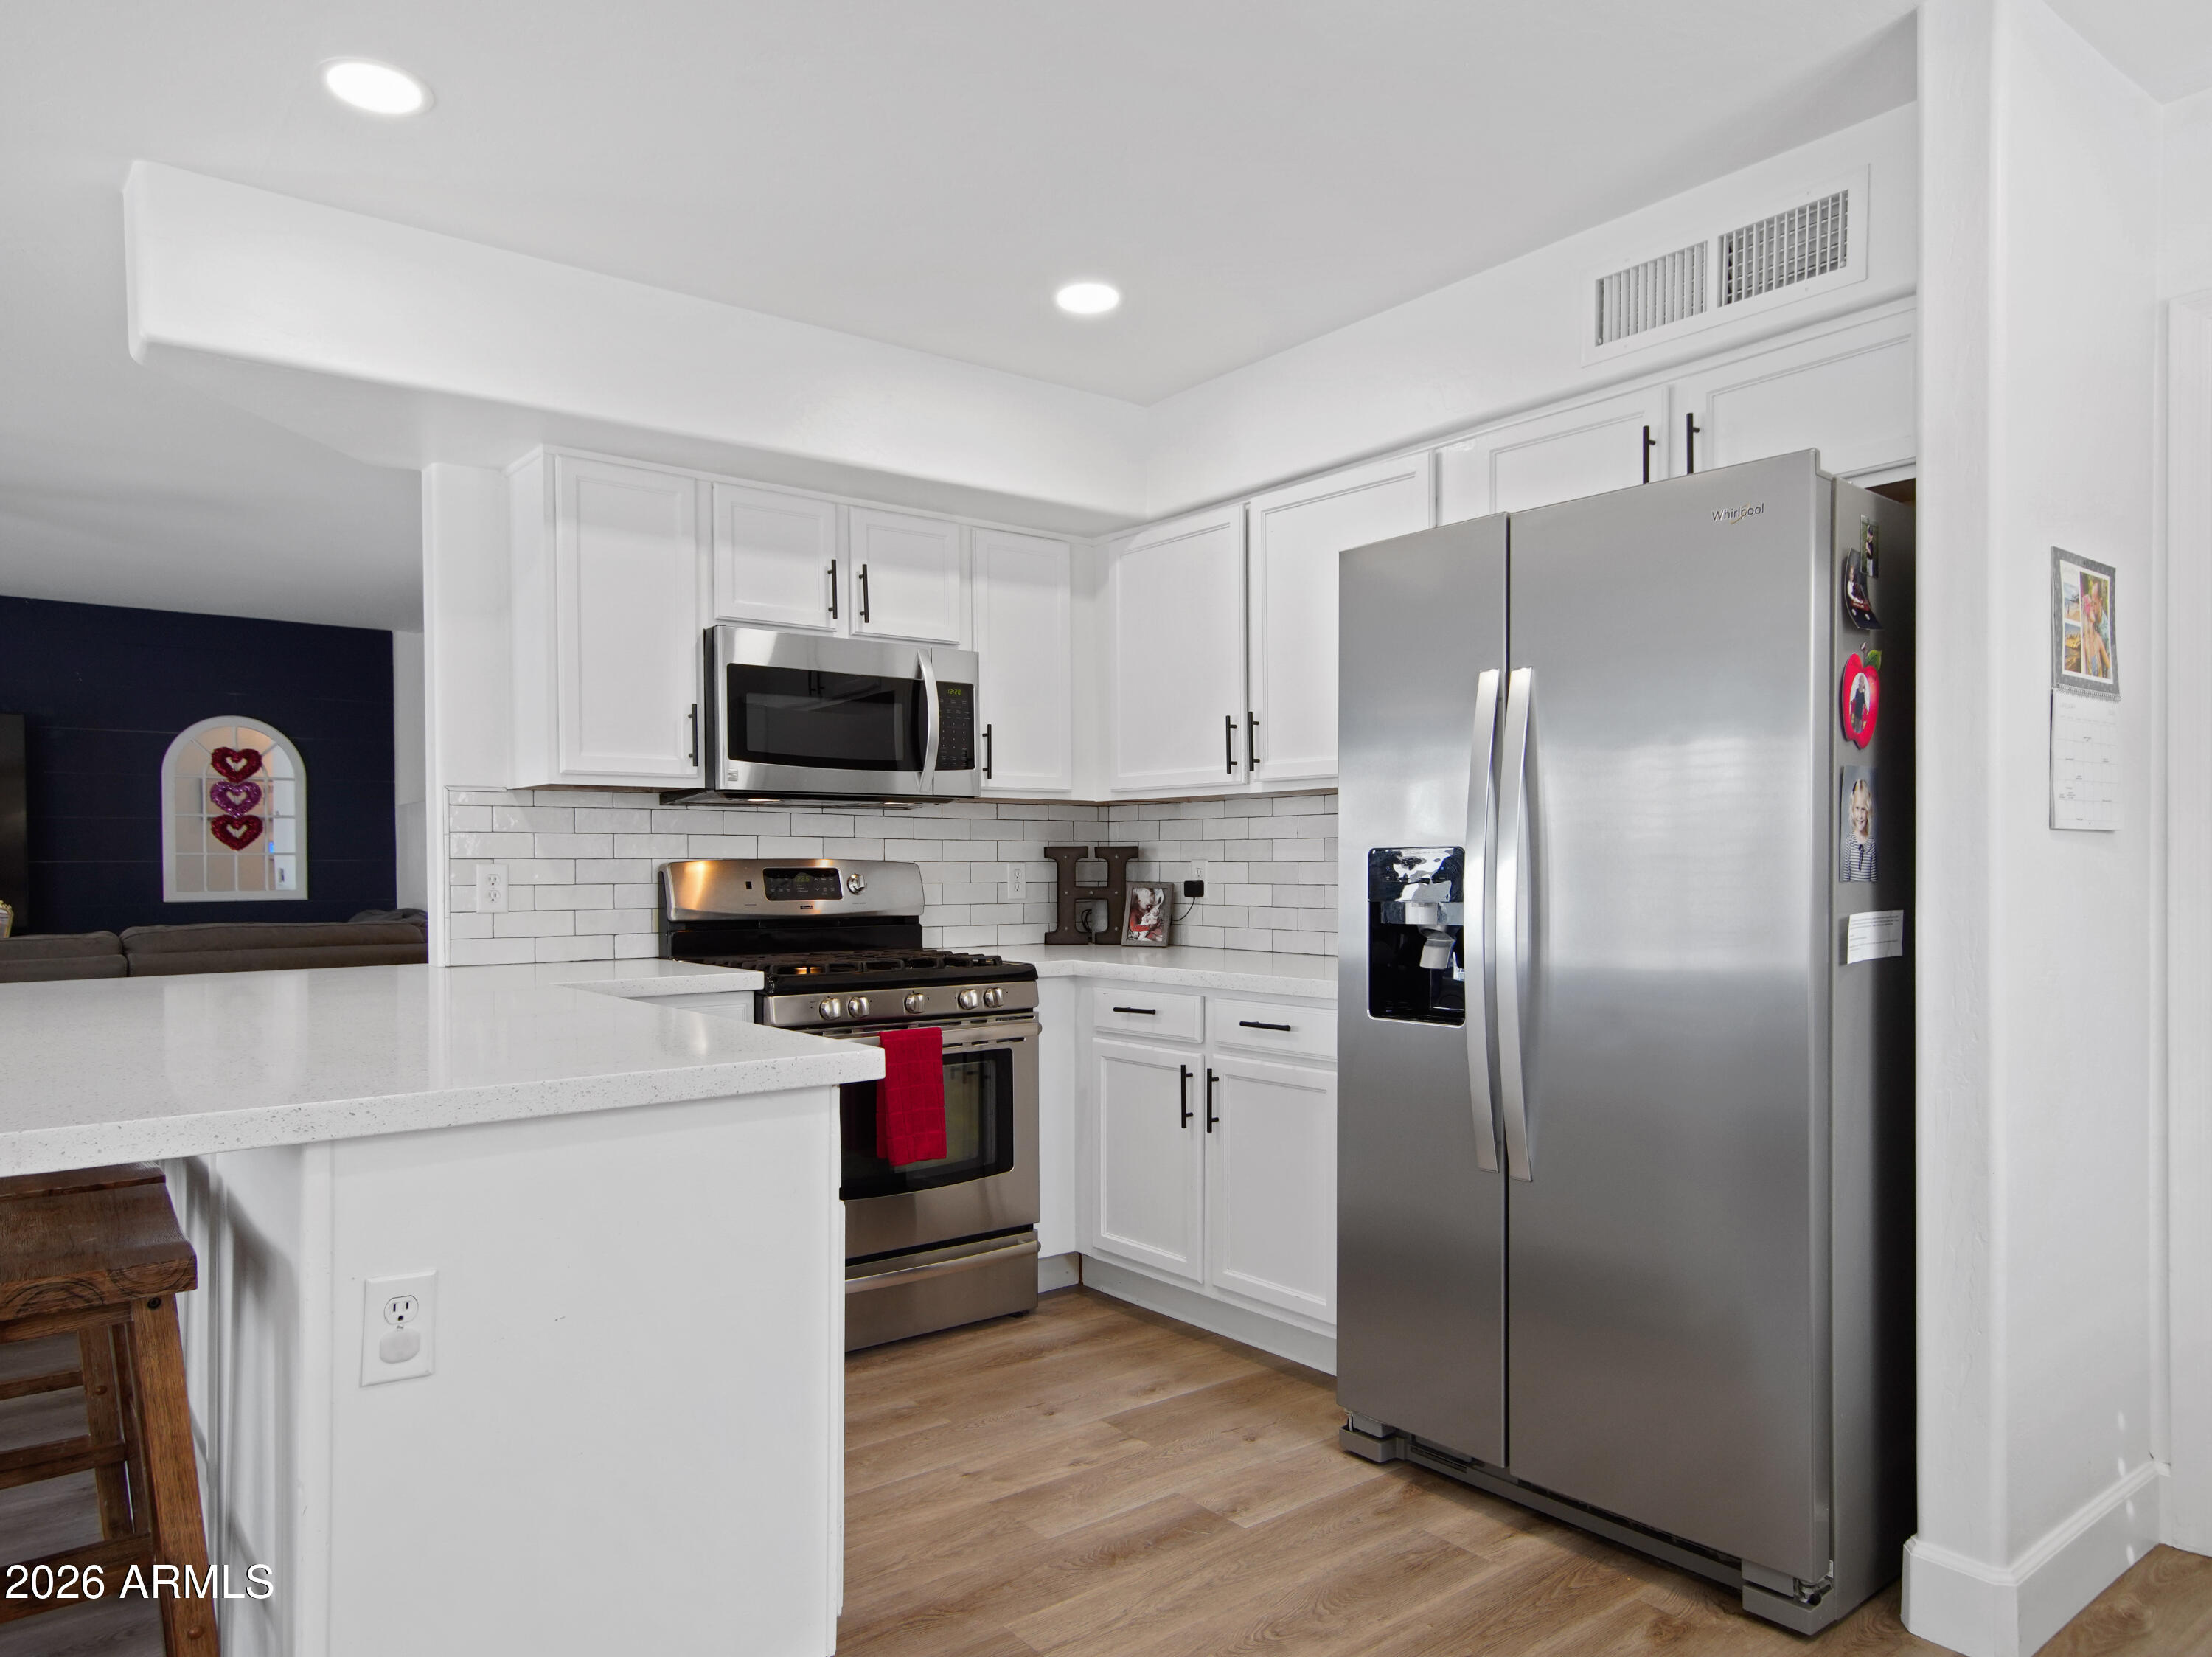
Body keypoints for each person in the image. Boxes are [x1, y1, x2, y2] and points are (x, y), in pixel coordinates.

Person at [1843, 775, 1877, 882]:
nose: (1860, 816)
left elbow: (1874, 879)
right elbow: (1846, 877)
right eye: (1857, 808)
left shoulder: (1871, 844)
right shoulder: (1850, 842)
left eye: (1863, 809)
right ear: (1852, 810)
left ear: (1868, 812)